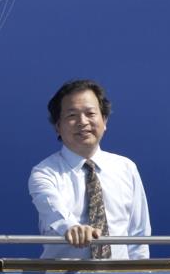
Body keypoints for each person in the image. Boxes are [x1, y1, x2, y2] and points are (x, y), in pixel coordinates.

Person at [27, 79, 151, 260]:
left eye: (90, 113)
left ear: (104, 120)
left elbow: (138, 236)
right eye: (72, 115)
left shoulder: (126, 168)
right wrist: (72, 228)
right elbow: (52, 209)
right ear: (58, 126)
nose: (82, 122)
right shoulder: (44, 172)